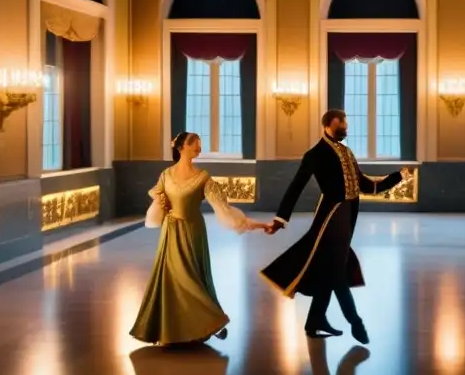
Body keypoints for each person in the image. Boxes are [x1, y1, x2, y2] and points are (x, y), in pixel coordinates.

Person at [260, 109, 411, 343]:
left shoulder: (347, 152)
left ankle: (315, 320)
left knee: (329, 271)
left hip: (346, 216)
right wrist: (280, 219)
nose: (346, 128)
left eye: (346, 124)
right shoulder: (315, 154)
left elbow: (367, 186)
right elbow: (295, 187)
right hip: (331, 218)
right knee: (337, 273)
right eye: (342, 124)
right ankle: (355, 322)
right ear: (328, 124)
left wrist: (398, 177)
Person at [131, 131, 271, 346]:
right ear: (181, 148)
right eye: (194, 144)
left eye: (199, 144)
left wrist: (257, 224)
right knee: (171, 279)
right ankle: (170, 331)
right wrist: (162, 202)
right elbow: (157, 193)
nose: (198, 147)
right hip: (170, 233)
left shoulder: (203, 177)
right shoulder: (166, 174)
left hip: (192, 232)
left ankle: (210, 322)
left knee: (191, 278)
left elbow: (224, 208)